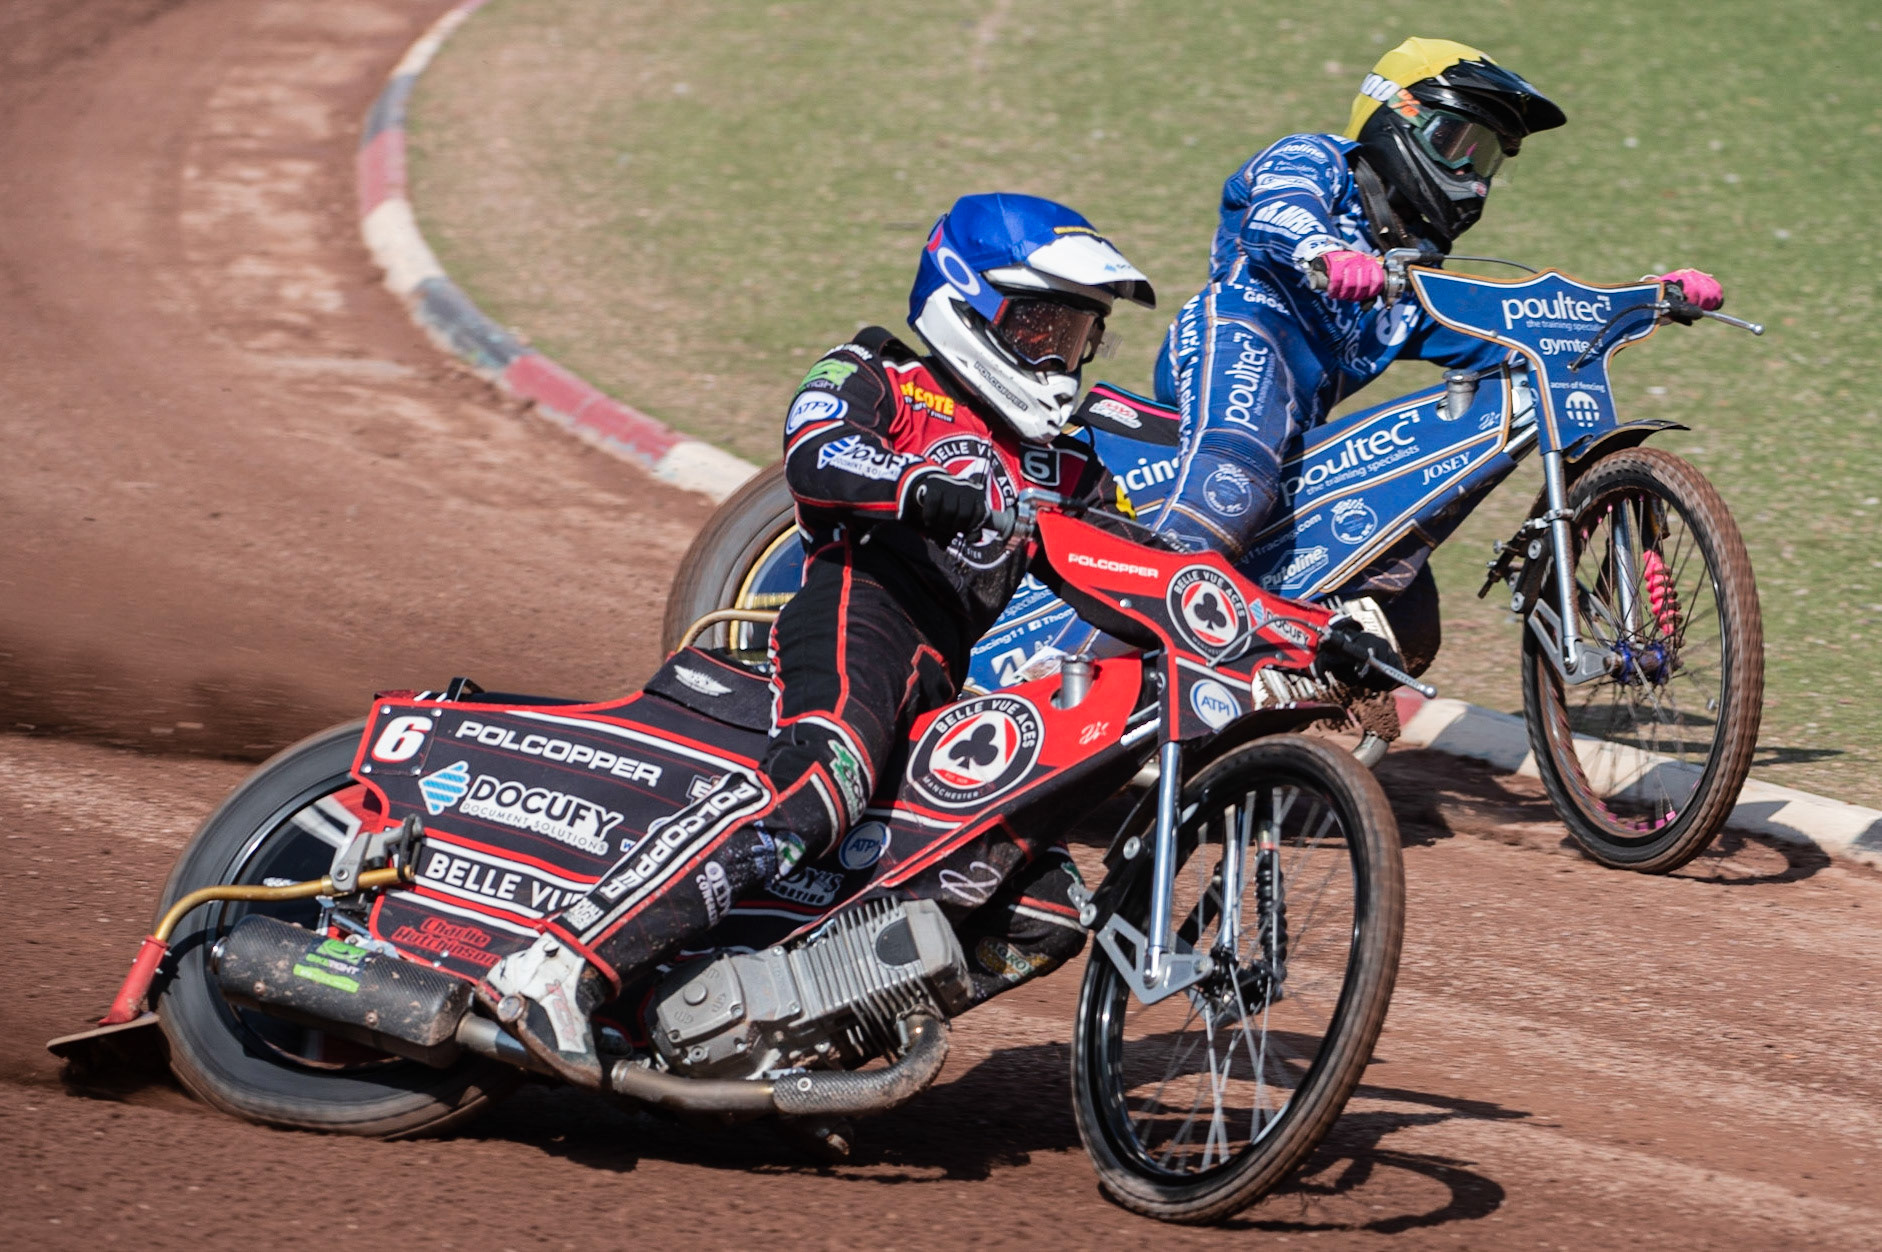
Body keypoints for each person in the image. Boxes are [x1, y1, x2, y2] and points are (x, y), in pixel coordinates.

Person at [480, 193, 1158, 1086]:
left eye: (1073, 335)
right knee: (821, 785)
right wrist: (919, 485)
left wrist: (1314, 637)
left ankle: (790, 1034)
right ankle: (558, 965)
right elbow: (816, 453)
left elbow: (1150, 566)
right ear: (964, 300)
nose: (1054, 356)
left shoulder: (1068, 467)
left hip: (944, 680)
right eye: (1034, 325)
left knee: (1042, 906)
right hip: (859, 612)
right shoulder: (878, 373)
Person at [1147, 37, 1725, 568]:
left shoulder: (1416, 279)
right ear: (1397, 116)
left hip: (1303, 428)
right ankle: (1123, 626)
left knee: (1399, 600)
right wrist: (1325, 251)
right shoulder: (1319, 158)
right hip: (1240, 342)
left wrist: (1642, 298)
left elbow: (1519, 333)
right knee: (1230, 491)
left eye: (1489, 161)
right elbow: (1276, 210)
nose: (1475, 181)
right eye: (1460, 146)